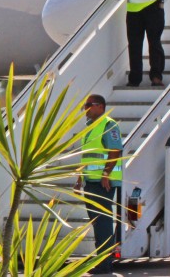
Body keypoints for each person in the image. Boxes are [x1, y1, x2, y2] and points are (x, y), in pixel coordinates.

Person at [74, 95, 122, 274]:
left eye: (88, 105)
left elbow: (115, 151)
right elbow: (87, 156)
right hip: (91, 181)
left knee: (102, 222)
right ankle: (102, 260)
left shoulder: (109, 125)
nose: (85, 108)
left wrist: (106, 174)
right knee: (97, 222)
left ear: (100, 106)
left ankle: (105, 262)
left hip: (103, 183)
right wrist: (80, 179)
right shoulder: (90, 127)